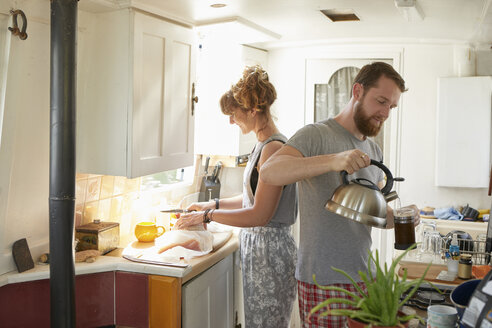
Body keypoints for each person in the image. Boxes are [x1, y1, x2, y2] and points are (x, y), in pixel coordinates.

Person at [260, 62, 419, 328]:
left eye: (391, 107)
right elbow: (269, 172)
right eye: (381, 101)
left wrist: (402, 217)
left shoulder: (373, 150)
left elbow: (372, 215)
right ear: (357, 91)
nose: (385, 113)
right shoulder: (316, 135)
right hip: (323, 278)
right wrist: (334, 160)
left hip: (366, 278)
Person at [175, 65, 298, 328]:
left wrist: (207, 215)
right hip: (262, 249)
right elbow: (252, 199)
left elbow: (259, 214)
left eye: (234, 114)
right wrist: (213, 204)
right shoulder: (262, 144)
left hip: (270, 252)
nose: (232, 121)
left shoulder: (273, 148)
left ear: (253, 110)